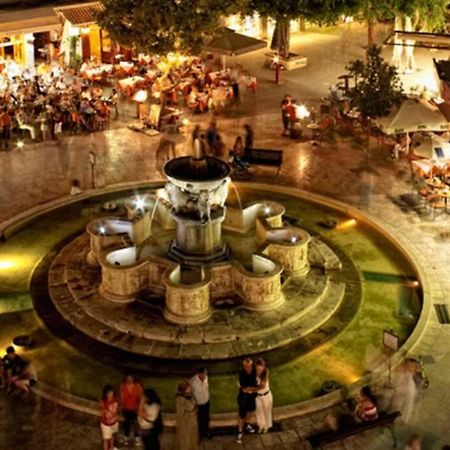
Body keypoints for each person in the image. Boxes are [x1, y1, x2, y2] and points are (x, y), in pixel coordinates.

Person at [237, 358, 257, 444]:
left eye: (249, 366)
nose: (248, 368)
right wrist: (253, 389)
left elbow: (256, 386)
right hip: (243, 397)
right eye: (246, 366)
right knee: (242, 415)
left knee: (251, 410)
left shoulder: (255, 371)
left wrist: (252, 389)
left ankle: (247, 424)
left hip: (252, 396)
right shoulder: (242, 373)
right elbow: (244, 389)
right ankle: (240, 431)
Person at [119, 374, 143, 446]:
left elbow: (141, 397)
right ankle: (126, 438)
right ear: (126, 379)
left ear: (133, 379)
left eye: (131, 378)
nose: (129, 379)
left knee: (136, 424)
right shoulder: (123, 386)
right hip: (126, 408)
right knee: (126, 424)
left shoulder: (137, 386)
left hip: (135, 408)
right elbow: (121, 397)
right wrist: (120, 405)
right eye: (128, 378)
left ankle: (137, 439)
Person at [176, 380, 199, 450]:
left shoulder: (189, 396)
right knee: (186, 442)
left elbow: (194, 405)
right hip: (186, 426)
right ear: (184, 389)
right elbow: (180, 415)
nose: (191, 388)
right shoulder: (180, 400)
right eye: (189, 387)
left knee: (193, 440)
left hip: (192, 423)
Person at [190, 368, 211, 439]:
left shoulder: (206, 378)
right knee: (199, 419)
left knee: (206, 418)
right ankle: (199, 434)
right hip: (198, 404)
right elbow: (190, 394)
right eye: (204, 374)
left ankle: (206, 432)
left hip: (206, 402)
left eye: (206, 374)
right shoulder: (193, 382)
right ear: (200, 374)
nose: (205, 375)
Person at [100, 385, 119, 450]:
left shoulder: (115, 400)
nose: (110, 394)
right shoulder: (103, 402)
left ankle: (112, 448)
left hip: (114, 422)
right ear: (105, 394)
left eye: (111, 392)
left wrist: (110, 414)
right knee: (106, 439)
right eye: (108, 393)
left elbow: (114, 412)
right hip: (106, 424)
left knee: (112, 436)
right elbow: (103, 413)